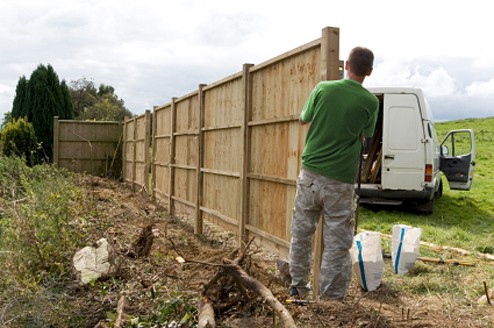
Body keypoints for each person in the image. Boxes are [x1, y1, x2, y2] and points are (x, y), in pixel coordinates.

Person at [288, 46, 379, 301]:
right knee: (337, 243)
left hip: (310, 175)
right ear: (369, 72)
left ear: (346, 65)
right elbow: (365, 136)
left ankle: (298, 288)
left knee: (302, 233)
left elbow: (303, 118)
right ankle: (330, 301)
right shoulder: (371, 102)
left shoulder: (323, 89)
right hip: (340, 180)